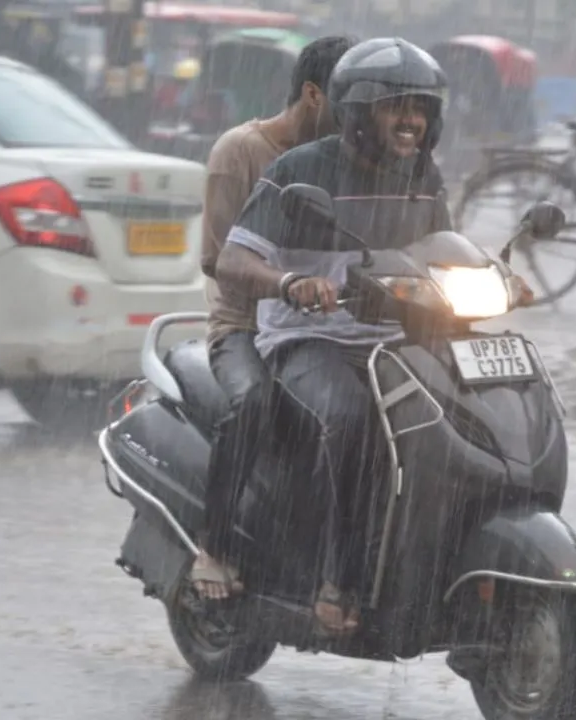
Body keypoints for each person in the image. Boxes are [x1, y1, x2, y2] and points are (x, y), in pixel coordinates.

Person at [215, 38, 452, 634]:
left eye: (420, 109)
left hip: (388, 338)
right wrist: (292, 282)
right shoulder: (297, 170)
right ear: (357, 112)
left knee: (460, 409)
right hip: (308, 341)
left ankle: (422, 563)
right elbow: (232, 263)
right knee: (350, 420)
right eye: (396, 107)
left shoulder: (423, 176)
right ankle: (337, 578)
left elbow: (444, 253)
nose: (411, 122)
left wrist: (494, 279)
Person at [194, 36, 356, 602]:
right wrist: (284, 285)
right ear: (313, 94)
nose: (358, 118)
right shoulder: (240, 150)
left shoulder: (346, 158)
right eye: (349, 101)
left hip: (320, 326)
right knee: (254, 403)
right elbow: (216, 259)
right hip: (242, 326)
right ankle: (214, 547)